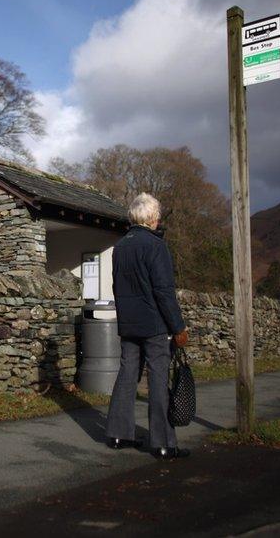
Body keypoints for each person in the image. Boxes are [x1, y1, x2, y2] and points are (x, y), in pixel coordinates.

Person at [105, 192, 190, 460]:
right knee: (157, 378)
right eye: (158, 216)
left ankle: (118, 434)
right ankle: (163, 442)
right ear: (153, 218)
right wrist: (178, 327)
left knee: (127, 375)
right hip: (154, 324)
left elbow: (118, 287)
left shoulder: (120, 247)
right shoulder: (155, 246)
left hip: (129, 323)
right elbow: (164, 291)